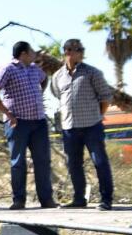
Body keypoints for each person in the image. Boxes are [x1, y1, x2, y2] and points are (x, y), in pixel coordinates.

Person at [0, 42, 57, 210]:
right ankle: (19, 200)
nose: (35, 54)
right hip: (17, 122)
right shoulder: (7, 68)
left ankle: (46, 200)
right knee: (18, 162)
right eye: (32, 51)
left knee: (42, 161)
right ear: (24, 53)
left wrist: (38, 93)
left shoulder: (34, 69)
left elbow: (44, 78)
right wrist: (7, 113)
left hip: (39, 121)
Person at [49, 38, 115, 210]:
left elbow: (106, 97)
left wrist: (98, 115)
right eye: (70, 49)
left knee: (99, 161)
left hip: (92, 126)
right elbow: (58, 95)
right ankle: (79, 199)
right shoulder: (57, 77)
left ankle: (106, 200)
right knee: (73, 164)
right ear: (65, 52)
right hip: (69, 128)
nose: (74, 52)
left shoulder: (93, 73)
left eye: (77, 49)